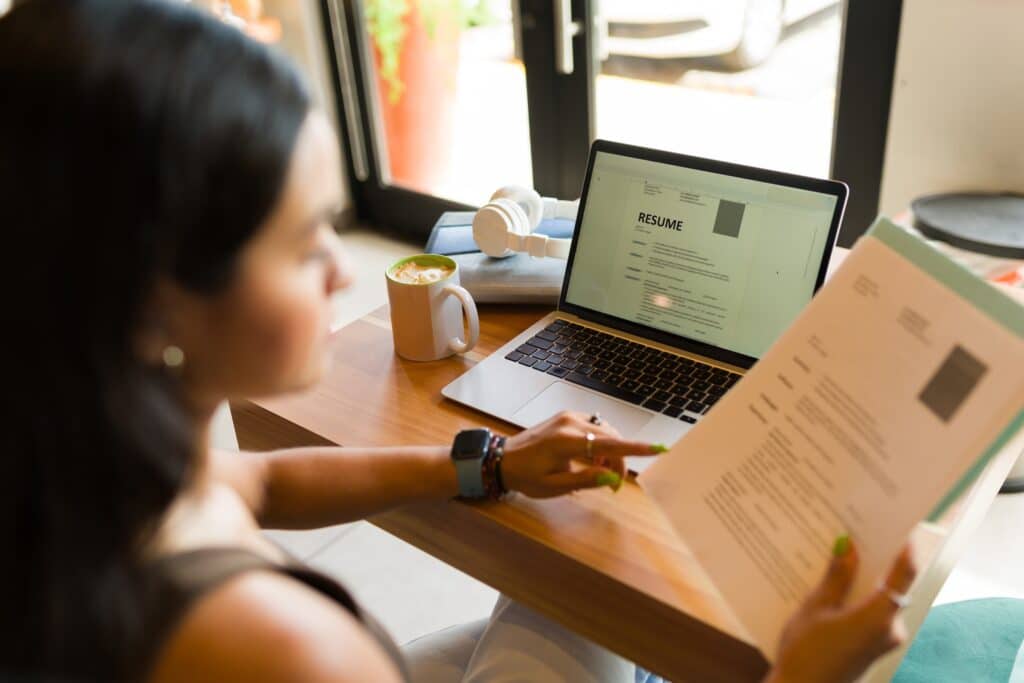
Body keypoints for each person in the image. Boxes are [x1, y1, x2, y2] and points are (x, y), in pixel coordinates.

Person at [0, 1, 916, 681]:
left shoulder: (92, 480)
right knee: (602, 597)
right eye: (302, 236)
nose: (338, 267)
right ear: (157, 301)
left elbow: (262, 480)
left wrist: (492, 464)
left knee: (567, 588)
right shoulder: (283, 648)